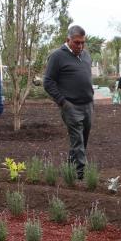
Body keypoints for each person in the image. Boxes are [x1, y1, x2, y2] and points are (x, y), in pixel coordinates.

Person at [43, 25, 94, 179]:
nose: (80, 46)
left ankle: (69, 170)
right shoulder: (57, 56)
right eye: (77, 42)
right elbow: (48, 81)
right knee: (77, 140)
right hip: (71, 106)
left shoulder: (85, 55)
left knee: (82, 140)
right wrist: (63, 102)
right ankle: (81, 176)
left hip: (88, 105)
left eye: (82, 42)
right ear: (68, 40)